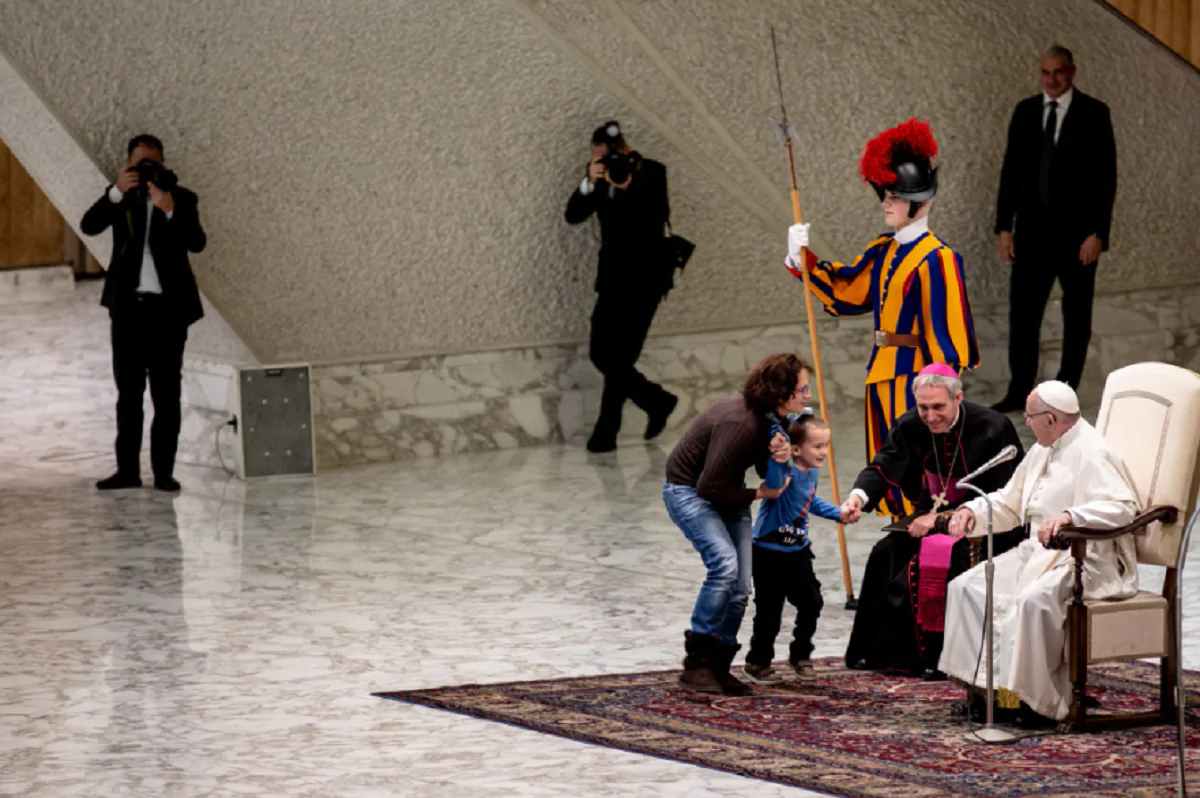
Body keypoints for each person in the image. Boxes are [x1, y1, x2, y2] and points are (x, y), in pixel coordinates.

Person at [785, 119, 979, 516]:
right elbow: (846, 292)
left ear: (920, 202)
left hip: (916, 382)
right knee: (889, 463)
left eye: (894, 195)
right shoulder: (885, 249)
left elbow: (950, 341)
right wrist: (800, 260)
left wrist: (936, 398)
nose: (885, 202)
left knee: (921, 469)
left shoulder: (938, 258)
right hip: (882, 374)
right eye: (884, 194)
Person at [940, 381, 1140, 726]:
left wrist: (1071, 516)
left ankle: (1035, 703)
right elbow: (1010, 501)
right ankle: (988, 693)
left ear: (1050, 418)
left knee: (1032, 601)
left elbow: (1123, 508)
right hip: (1035, 552)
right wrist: (974, 510)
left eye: (1031, 417)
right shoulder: (1042, 449)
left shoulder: (1093, 452)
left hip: (1083, 559)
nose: (1026, 424)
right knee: (967, 586)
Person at [839, 364, 1025, 678]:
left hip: (982, 521)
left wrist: (944, 519)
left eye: (938, 407)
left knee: (949, 558)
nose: (930, 416)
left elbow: (1009, 492)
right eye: (923, 407)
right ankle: (881, 653)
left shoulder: (993, 426)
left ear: (958, 398)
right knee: (884, 554)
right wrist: (858, 496)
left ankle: (942, 659)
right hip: (927, 516)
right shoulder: (910, 425)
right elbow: (885, 465)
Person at [663, 353, 810, 695]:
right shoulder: (741, 422)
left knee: (742, 586)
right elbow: (708, 487)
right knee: (725, 566)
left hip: (727, 492)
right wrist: (758, 493)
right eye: (802, 389)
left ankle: (718, 665)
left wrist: (780, 457)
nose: (807, 396)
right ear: (781, 391)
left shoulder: (770, 419)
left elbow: (767, 475)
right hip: (690, 491)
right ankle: (696, 664)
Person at [991, 45, 1118, 412]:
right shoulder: (1026, 111)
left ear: (1072, 71)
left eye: (1058, 72)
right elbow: (1010, 172)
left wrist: (1098, 233)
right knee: (1023, 316)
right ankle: (1019, 392)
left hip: (1079, 238)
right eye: (1045, 72)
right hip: (1031, 236)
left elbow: (1105, 178)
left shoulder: (1094, 113)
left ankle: (1064, 393)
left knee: (1077, 318)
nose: (1051, 79)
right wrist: (1004, 227)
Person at [81, 134, 207, 493]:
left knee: (166, 396)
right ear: (129, 164)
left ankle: (163, 473)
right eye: (139, 163)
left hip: (169, 314)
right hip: (128, 312)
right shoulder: (121, 198)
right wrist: (116, 191)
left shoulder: (181, 199)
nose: (146, 169)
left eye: (153, 163)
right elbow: (89, 225)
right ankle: (127, 471)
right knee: (129, 394)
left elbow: (197, 242)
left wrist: (169, 209)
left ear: (163, 163)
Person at [565, 120, 678, 453]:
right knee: (603, 353)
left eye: (612, 153)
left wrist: (630, 184)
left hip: (647, 278)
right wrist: (589, 182)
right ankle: (656, 400)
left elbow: (658, 215)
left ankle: (606, 432)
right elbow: (573, 215)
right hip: (613, 278)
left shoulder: (652, 172)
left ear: (625, 147)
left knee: (622, 355)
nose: (609, 161)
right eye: (599, 156)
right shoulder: (598, 181)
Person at [741, 413, 843, 686]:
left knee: (812, 601)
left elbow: (808, 501)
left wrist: (839, 513)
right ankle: (757, 663)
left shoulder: (812, 472)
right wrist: (778, 452)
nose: (823, 452)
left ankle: (801, 656)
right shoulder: (784, 471)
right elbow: (774, 485)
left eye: (826, 445)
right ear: (796, 449)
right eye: (817, 446)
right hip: (768, 551)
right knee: (769, 611)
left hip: (797, 549)